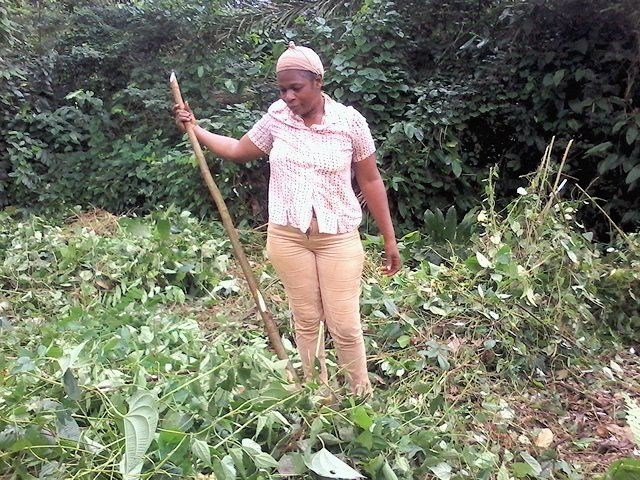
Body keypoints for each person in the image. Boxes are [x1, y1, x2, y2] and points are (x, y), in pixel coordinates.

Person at [174, 41, 401, 396]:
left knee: (345, 325)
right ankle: (316, 394)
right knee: (307, 320)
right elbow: (237, 149)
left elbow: (371, 180)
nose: (289, 97)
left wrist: (389, 238)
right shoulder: (276, 117)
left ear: (317, 81)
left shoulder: (349, 122)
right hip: (288, 238)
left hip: (337, 237)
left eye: (296, 88)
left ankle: (359, 395)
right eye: (282, 89)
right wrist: (195, 129)